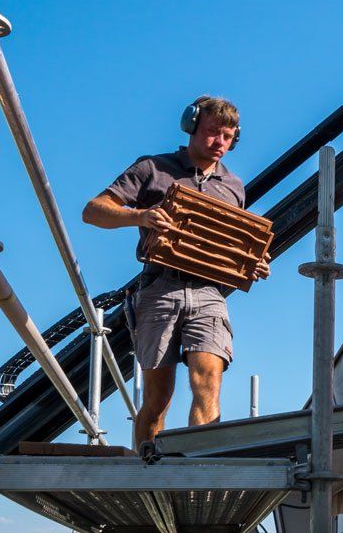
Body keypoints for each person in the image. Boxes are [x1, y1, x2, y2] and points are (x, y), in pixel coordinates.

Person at [81, 95, 268, 448]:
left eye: (228, 137)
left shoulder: (234, 186)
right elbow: (93, 211)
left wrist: (250, 262)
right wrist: (140, 216)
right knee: (158, 398)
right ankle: (148, 469)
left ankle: (196, 467)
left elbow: (232, 244)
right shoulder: (153, 168)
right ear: (191, 126)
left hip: (210, 293)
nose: (220, 142)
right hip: (160, 289)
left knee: (208, 381)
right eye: (212, 132)